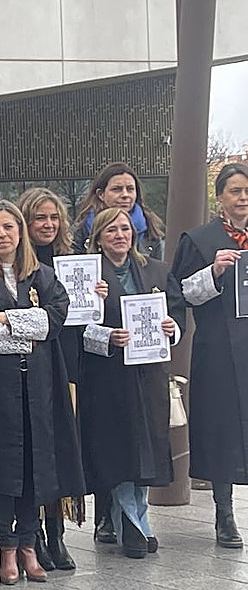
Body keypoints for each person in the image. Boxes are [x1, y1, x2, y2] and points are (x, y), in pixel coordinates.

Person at [0, 200, 86, 585]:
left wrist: (7, 319)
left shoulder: (41, 275)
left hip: (41, 387)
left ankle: (30, 544)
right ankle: (7, 548)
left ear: (20, 232)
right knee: (3, 467)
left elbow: (56, 319)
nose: (2, 235)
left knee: (35, 465)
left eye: (8, 228)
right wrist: (26, 332)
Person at [78, 207, 182, 558]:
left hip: (149, 375)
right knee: (120, 449)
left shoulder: (156, 270)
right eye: (111, 230)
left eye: (124, 228)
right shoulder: (90, 277)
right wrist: (108, 336)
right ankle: (132, 527)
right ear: (98, 237)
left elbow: (177, 316)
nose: (119, 235)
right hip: (109, 377)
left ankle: (140, 518)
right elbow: (75, 331)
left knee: (148, 450)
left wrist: (172, 329)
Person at [171, 162, 248, 548]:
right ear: (220, 197)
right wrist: (214, 272)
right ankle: (224, 513)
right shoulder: (200, 240)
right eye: (235, 191)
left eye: (247, 191)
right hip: (218, 349)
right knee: (222, 430)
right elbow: (182, 292)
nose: (243, 198)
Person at [16, 187, 86, 566]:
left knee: (62, 448)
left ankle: (57, 533)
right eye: (40, 218)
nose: (47, 224)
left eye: (53, 217)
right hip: (32, 363)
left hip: (68, 362)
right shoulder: (19, 264)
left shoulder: (74, 261)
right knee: (36, 450)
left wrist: (96, 296)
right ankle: (36, 534)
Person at [73, 162, 165, 259]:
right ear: (101, 194)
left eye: (130, 189)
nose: (125, 195)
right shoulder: (81, 230)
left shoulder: (150, 229)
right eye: (117, 189)